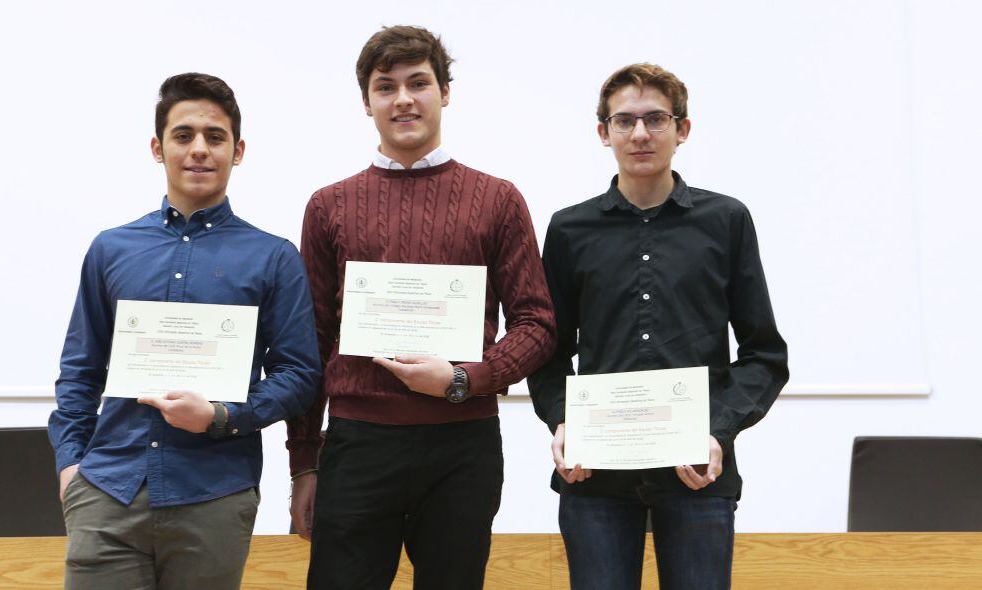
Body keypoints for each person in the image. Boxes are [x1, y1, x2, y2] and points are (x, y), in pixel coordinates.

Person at [285, 25, 557, 590]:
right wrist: (305, 462)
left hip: (463, 446)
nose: (403, 99)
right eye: (386, 87)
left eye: (419, 83)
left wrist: (465, 378)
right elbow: (312, 341)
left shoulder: (498, 199)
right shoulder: (328, 207)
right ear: (367, 102)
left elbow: (536, 323)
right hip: (358, 443)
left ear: (445, 92)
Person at [48, 72, 321, 590]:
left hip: (214, 495)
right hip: (108, 491)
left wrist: (222, 416)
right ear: (158, 147)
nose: (199, 149)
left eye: (215, 137)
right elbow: (80, 370)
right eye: (183, 135)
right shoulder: (111, 249)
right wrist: (71, 469)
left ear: (238, 151)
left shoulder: (274, 257)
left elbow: (298, 374)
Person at [528, 63, 789, 590]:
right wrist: (562, 421)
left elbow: (764, 354)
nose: (640, 133)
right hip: (595, 476)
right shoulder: (568, 229)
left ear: (682, 129)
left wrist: (718, 432)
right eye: (624, 121)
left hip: (698, 474)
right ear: (604, 133)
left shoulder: (726, 220)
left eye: (656, 119)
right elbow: (548, 352)